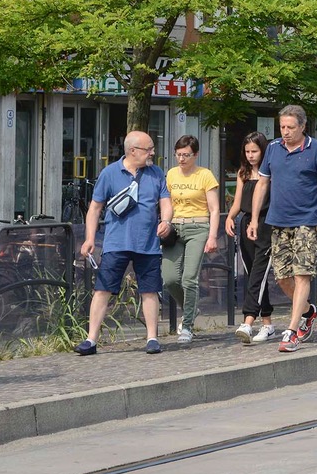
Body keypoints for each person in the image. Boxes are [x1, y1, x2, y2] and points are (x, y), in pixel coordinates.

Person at [249, 105, 317, 353]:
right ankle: (309, 312)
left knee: (302, 275)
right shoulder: (274, 149)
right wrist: (255, 219)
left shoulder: (316, 150)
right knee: (282, 278)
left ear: (302, 126)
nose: (285, 132)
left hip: (306, 222)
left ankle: (290, 331)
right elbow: (262, 183)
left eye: (290, 127)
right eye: (282, 127)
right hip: (278, 222)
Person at [75, 130, 170, 356]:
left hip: (148, 243)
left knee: (150, 290)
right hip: (116, 242)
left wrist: (166, 220)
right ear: (132, 151)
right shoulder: (109, 173)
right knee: (103, 289)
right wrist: (90, 238)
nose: (152, 153)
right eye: (148, 149)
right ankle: (91, 340)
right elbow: (95, 208)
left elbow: (165, 201)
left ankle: (152, 338)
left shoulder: (156, 173)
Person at [162, 135, 221, 344]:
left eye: (186, 155)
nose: (181, 159)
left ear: (195, 155)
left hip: (198, 227)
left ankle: (187, 325)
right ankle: (191, 307)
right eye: (178, 154)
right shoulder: (170, 174)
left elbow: (214, 209)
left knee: (189, 278)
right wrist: (164, 223)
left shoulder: (205, 175)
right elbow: (166, 203)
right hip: (175, 228)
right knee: (169, 278)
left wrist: (212, 236)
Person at [226, 131, 276, 345]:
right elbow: (238, 201)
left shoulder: (271, 173)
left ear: (263, 151)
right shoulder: (243, 172)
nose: (250, 155)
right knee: (252, 275)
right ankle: (267, 324)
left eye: (254, 151)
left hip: (266, 223)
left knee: (259, 273)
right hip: (246, 223)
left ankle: (248, 320)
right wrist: (230, 217)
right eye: (247, 151)